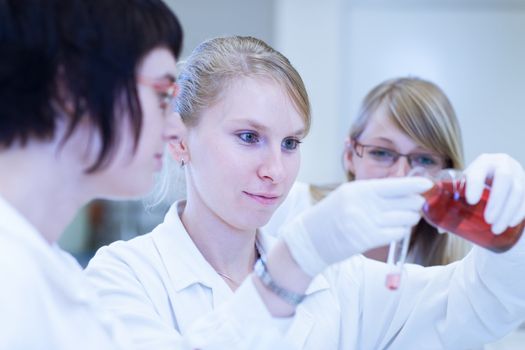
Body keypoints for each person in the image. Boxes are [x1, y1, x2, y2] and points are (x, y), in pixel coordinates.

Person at [85, 36, 525, 349]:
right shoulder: (123, 277)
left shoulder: (339, 283)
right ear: (180, 140)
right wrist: (291, 265)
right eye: (247, 136)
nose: (276, 170)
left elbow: (478, 306)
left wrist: (509, 228)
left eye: (290, 143)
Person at [0, 2, 373, 349]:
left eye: (291, 142)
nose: (173, 127)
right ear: (73, 88)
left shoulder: (50, 270)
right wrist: (289, 269)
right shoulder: (16, 274)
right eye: (162, 95)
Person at [263, 77, 471, 266]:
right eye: (381, 153)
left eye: (424, 159)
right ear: (350, 155)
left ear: (447, 173)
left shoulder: (445, 264)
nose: (400, 176)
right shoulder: (285, 208)